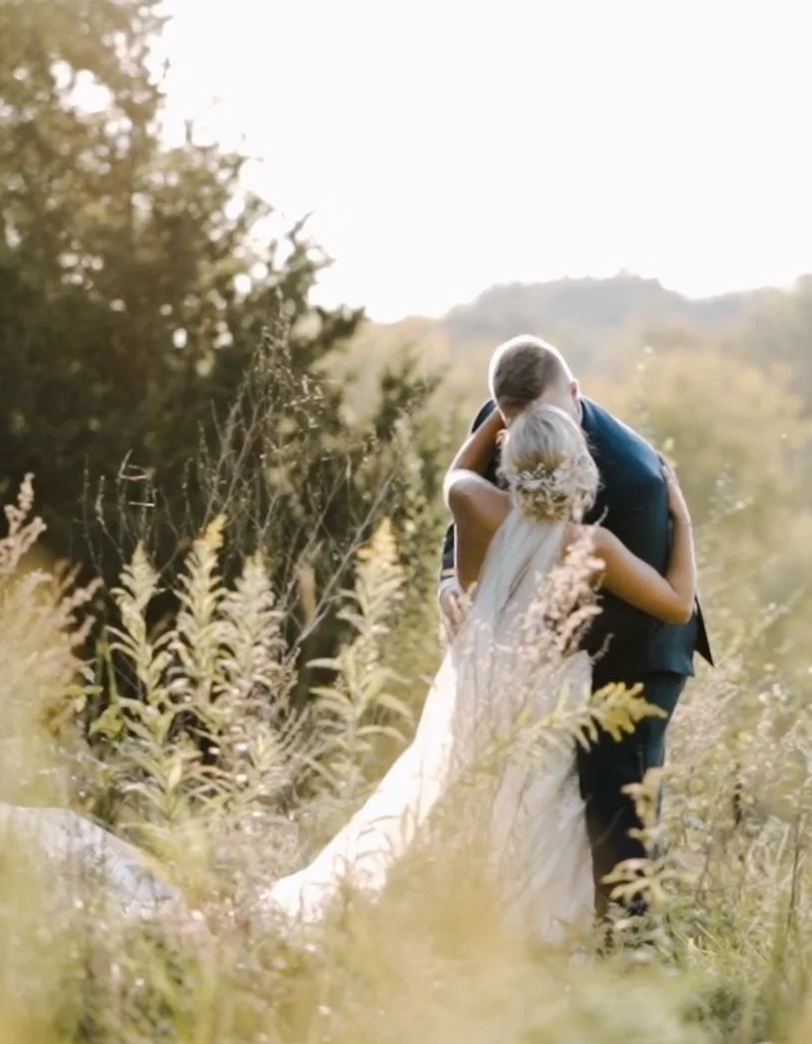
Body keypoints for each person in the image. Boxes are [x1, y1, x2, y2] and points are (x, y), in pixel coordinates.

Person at [263, 347, 701, 941]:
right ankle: (564, 939)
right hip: (553, 679)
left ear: (510, 454)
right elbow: (673, 602)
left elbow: (456, 480)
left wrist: (502, 419)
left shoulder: (483, 500)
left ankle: (537, 932)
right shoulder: (591, 545)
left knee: (515, 799)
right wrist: (687, 520)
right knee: (555, 810)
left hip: (531, 672)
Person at [441, 336, 711, 919]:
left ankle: (626, 938)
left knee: (617, 805)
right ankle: (570, 934)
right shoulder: (504, 423)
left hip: (635, 654)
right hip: (550, 661)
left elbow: (658, 607)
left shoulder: (634, 481)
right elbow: (462, 524)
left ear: (577, 395)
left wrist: (537, 633)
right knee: (550, 804)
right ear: (500, 414)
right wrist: (451, 582)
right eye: (507, 420)